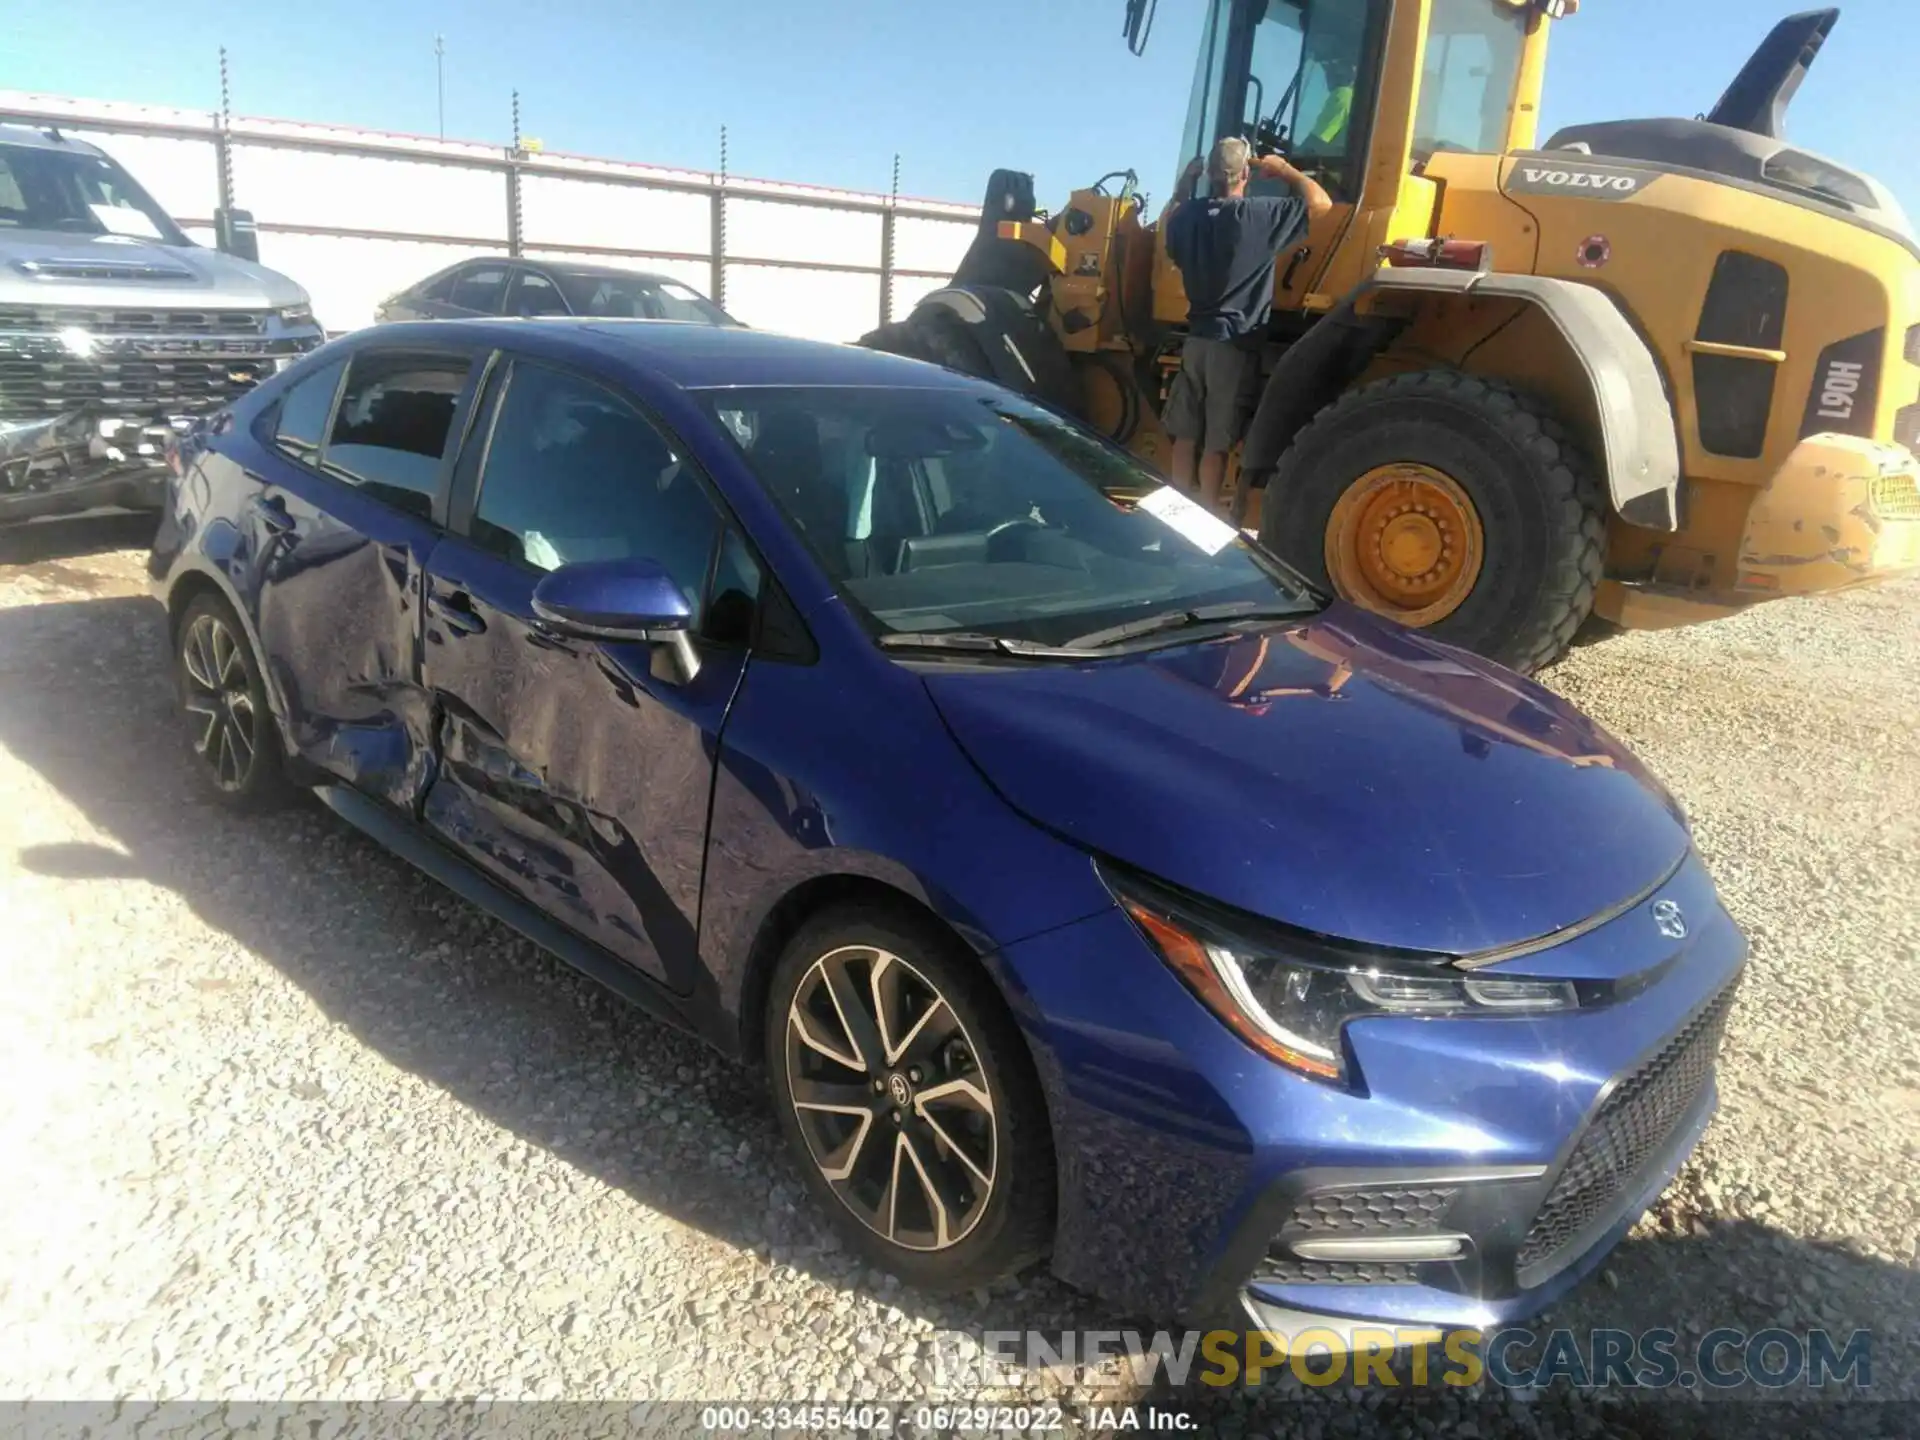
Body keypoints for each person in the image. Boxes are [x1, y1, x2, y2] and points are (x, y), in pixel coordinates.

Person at [1160, 136, 1332, 515]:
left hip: (1196, 342)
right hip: (1233, 345)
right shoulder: (1257, 217)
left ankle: (1174, 517)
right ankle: (1204, 517)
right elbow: (1321, 203)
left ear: (1208, 175)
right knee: (1216, 443)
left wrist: (1184, 185)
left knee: (1186, 437)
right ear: (1245, 176)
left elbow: (1167, 224)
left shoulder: (1186, 218)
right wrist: (1284, 169)